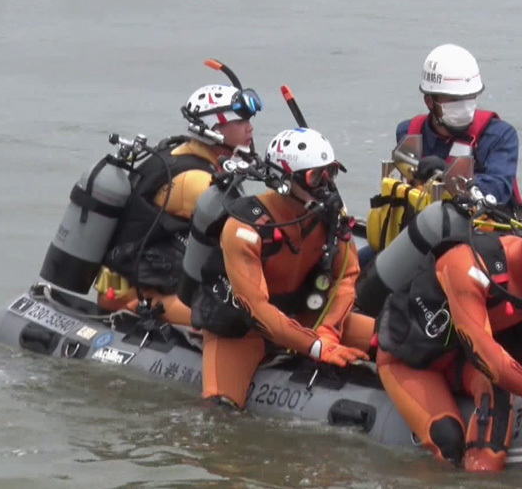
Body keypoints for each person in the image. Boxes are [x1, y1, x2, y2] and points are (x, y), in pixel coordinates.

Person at [376, 202, 522, 472]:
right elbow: (489, 359)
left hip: (460, 360)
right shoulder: (468, 264)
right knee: (448, 440)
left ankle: (482, 476)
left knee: (497, 412)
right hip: (412, 360)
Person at [196, 127, 374, 409]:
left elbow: (346, 276)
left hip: (305, 316)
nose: (327, 185)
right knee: (220, 410)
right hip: (243, 330)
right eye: (317, 176)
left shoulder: (327, 218)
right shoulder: (244, 227)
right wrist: (315, 346)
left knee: (389, 339)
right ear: (283, 181)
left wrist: (328, 331)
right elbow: (256, 307)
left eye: (331, 173)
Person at [94, 83, 259, 326]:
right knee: (243, 323)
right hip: (136, 293)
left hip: (157, 274)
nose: (250, 127)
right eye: (241, 121)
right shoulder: (195, 182)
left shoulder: (184, 152)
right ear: (215, 127)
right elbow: (245, 229)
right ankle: (139, 312)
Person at [396, 43, 522, 209]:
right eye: (454, 100)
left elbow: (498, 189)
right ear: (429, 101)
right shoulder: (409, 133)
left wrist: (449, 175)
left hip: (479, 229)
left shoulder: (499, 136)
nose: (464, 107)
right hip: (420, 226)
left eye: (470, 97)